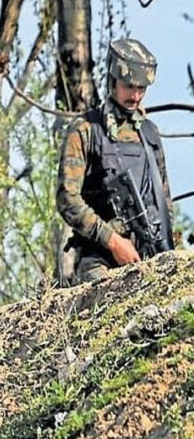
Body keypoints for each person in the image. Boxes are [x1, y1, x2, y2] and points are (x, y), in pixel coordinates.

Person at [57, 38, 175, 284]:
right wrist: (113, 241)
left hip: (148, 256)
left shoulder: (150, 134)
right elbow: (67, 199)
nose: (136, 95)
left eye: (142, 88)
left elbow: (164, 201)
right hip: (99, 259)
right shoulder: (86, 130)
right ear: (112, 80)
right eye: (129, 86)